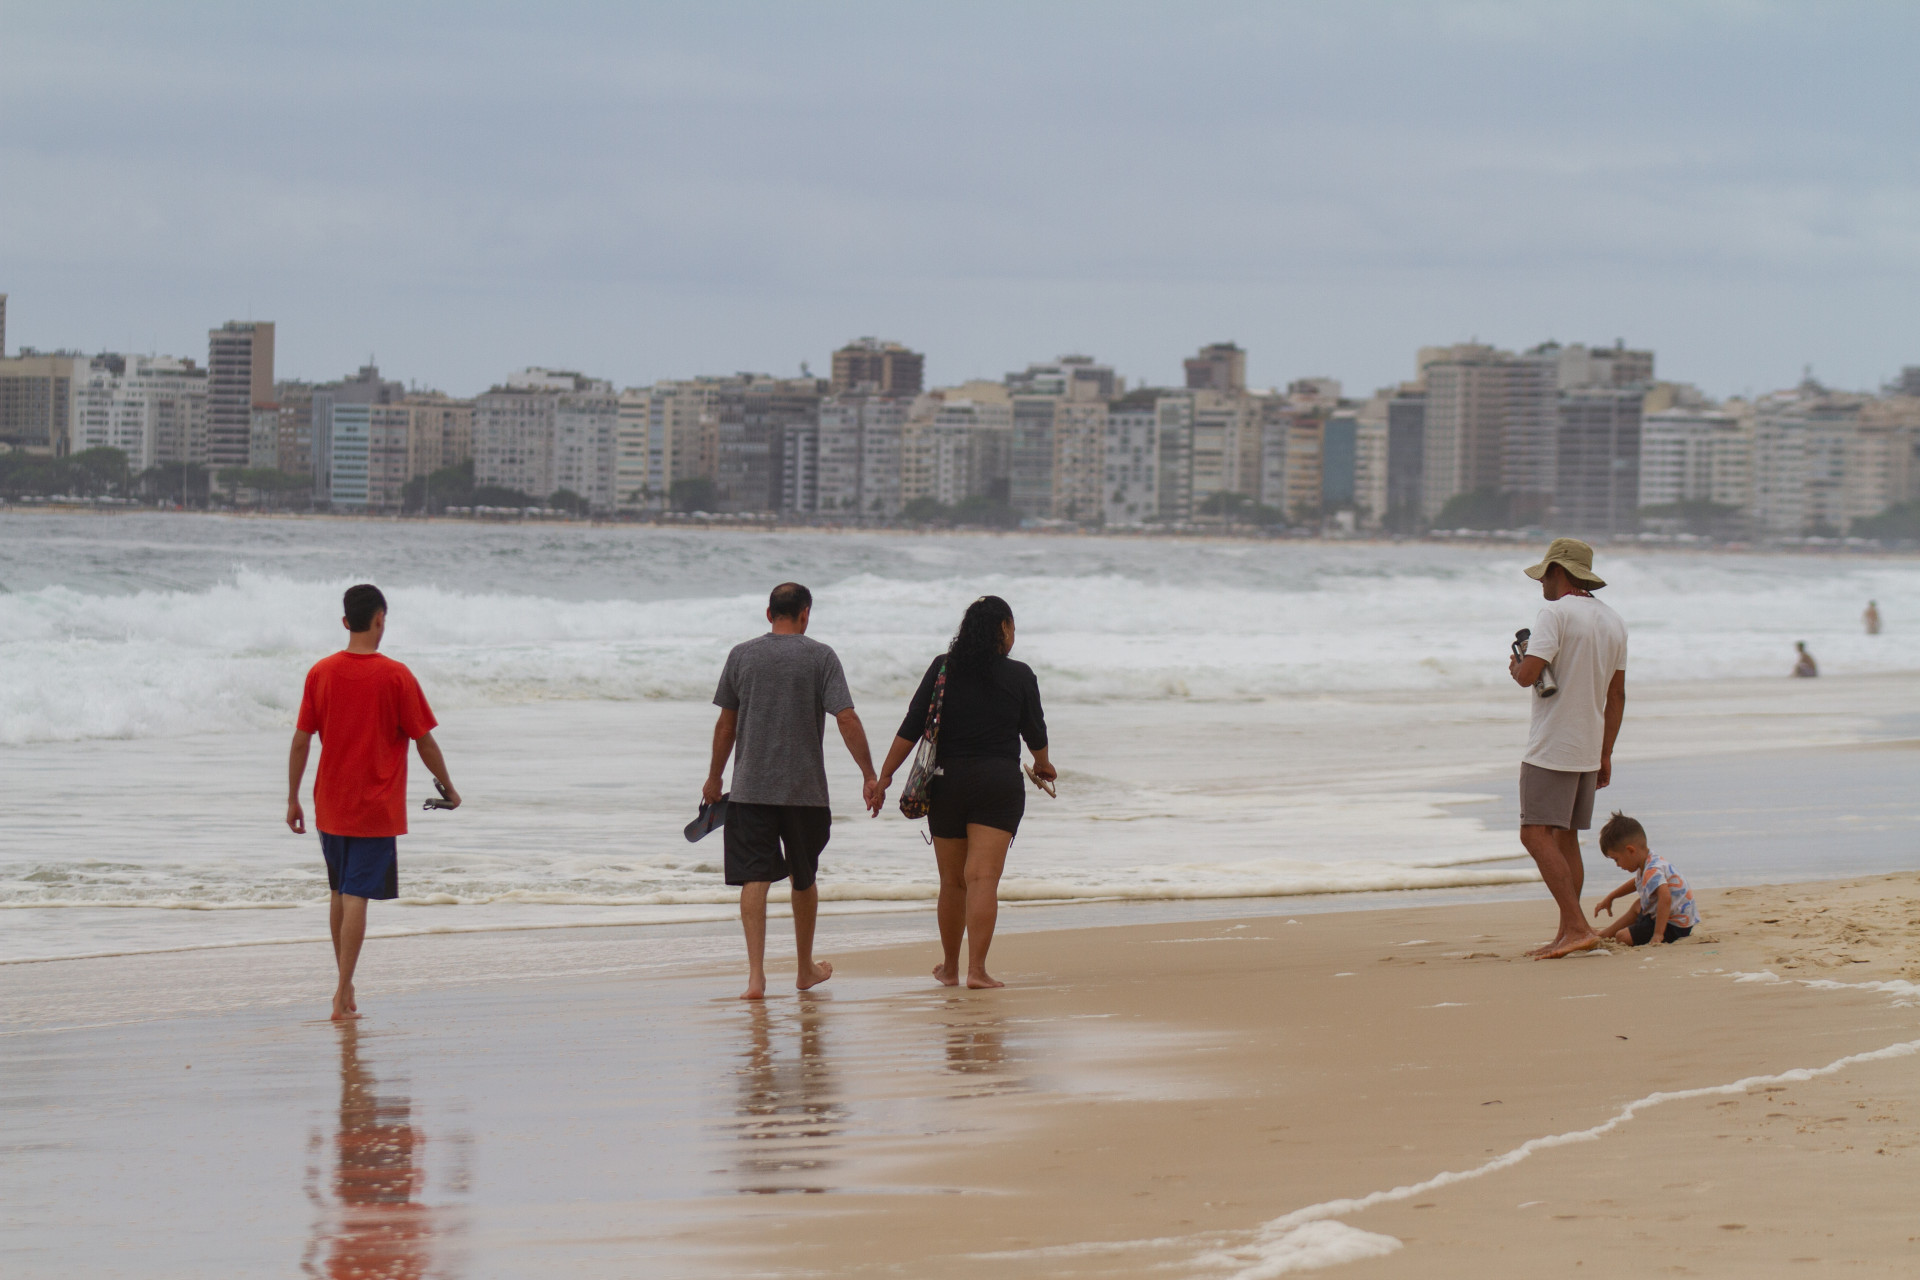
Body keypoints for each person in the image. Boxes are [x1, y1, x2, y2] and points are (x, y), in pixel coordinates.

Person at [287, 584, 459, 1020]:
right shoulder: (396, 676)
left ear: (346, 622)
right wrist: (449, 788)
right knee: (357, 896)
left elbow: (300, 743)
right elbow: (425, 742)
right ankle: (342, 992)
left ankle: (344, 984)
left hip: (328, 802)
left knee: (339, 891)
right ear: (379, 620)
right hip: (374, 807)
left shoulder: (320, 672)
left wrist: (292, 799)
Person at [705, 582, 881, 1000]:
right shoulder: (821, 656)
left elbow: (725, 725)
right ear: (805, 614)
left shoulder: (741, 655)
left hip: (750, 790)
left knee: (755, 878)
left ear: (769, 614)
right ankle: (804, 969)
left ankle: (755, 978)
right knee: (804, 877)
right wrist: (870, 775)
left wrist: (715, 778)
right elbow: (847, 719)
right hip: (806, 793)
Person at [874, 595, 1054, 990]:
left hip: (947, 781)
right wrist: (1043, 764)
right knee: (983, 878)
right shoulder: (1020, 675)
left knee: (953, 881)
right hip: (997, 783)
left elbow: (912, 726)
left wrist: (883, 777)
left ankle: (951, 968)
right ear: (1004, 628)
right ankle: (978, 971)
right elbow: (1035, 733)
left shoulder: (943, 668)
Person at [1508, 538, 1627, 960]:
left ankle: (1575, 927)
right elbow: (1616, 695)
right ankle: (1570, 930)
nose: (1541, 582)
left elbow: (1529, 677)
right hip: (1588, 744)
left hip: (1552, 743)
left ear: (1559, 571)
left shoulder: (1554, 614)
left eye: (1545, 573)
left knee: (1534, 834)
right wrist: (1606, 751)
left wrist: (1516, 666)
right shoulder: (1613, 620)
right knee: (1566, 838)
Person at [1592, 811, 1699, 947]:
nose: (1617, 865)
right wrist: (1611, 897)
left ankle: (1613, 933)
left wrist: (1658, 934)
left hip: (1674, 926)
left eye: (1616, 859)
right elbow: (1635, 883)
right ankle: (1604, 934)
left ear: (1630, 850)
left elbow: (1665, 898)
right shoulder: (1649, 860)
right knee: (1638, 904)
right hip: (1678, 918)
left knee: (1622, 937)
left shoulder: (1651, 871)